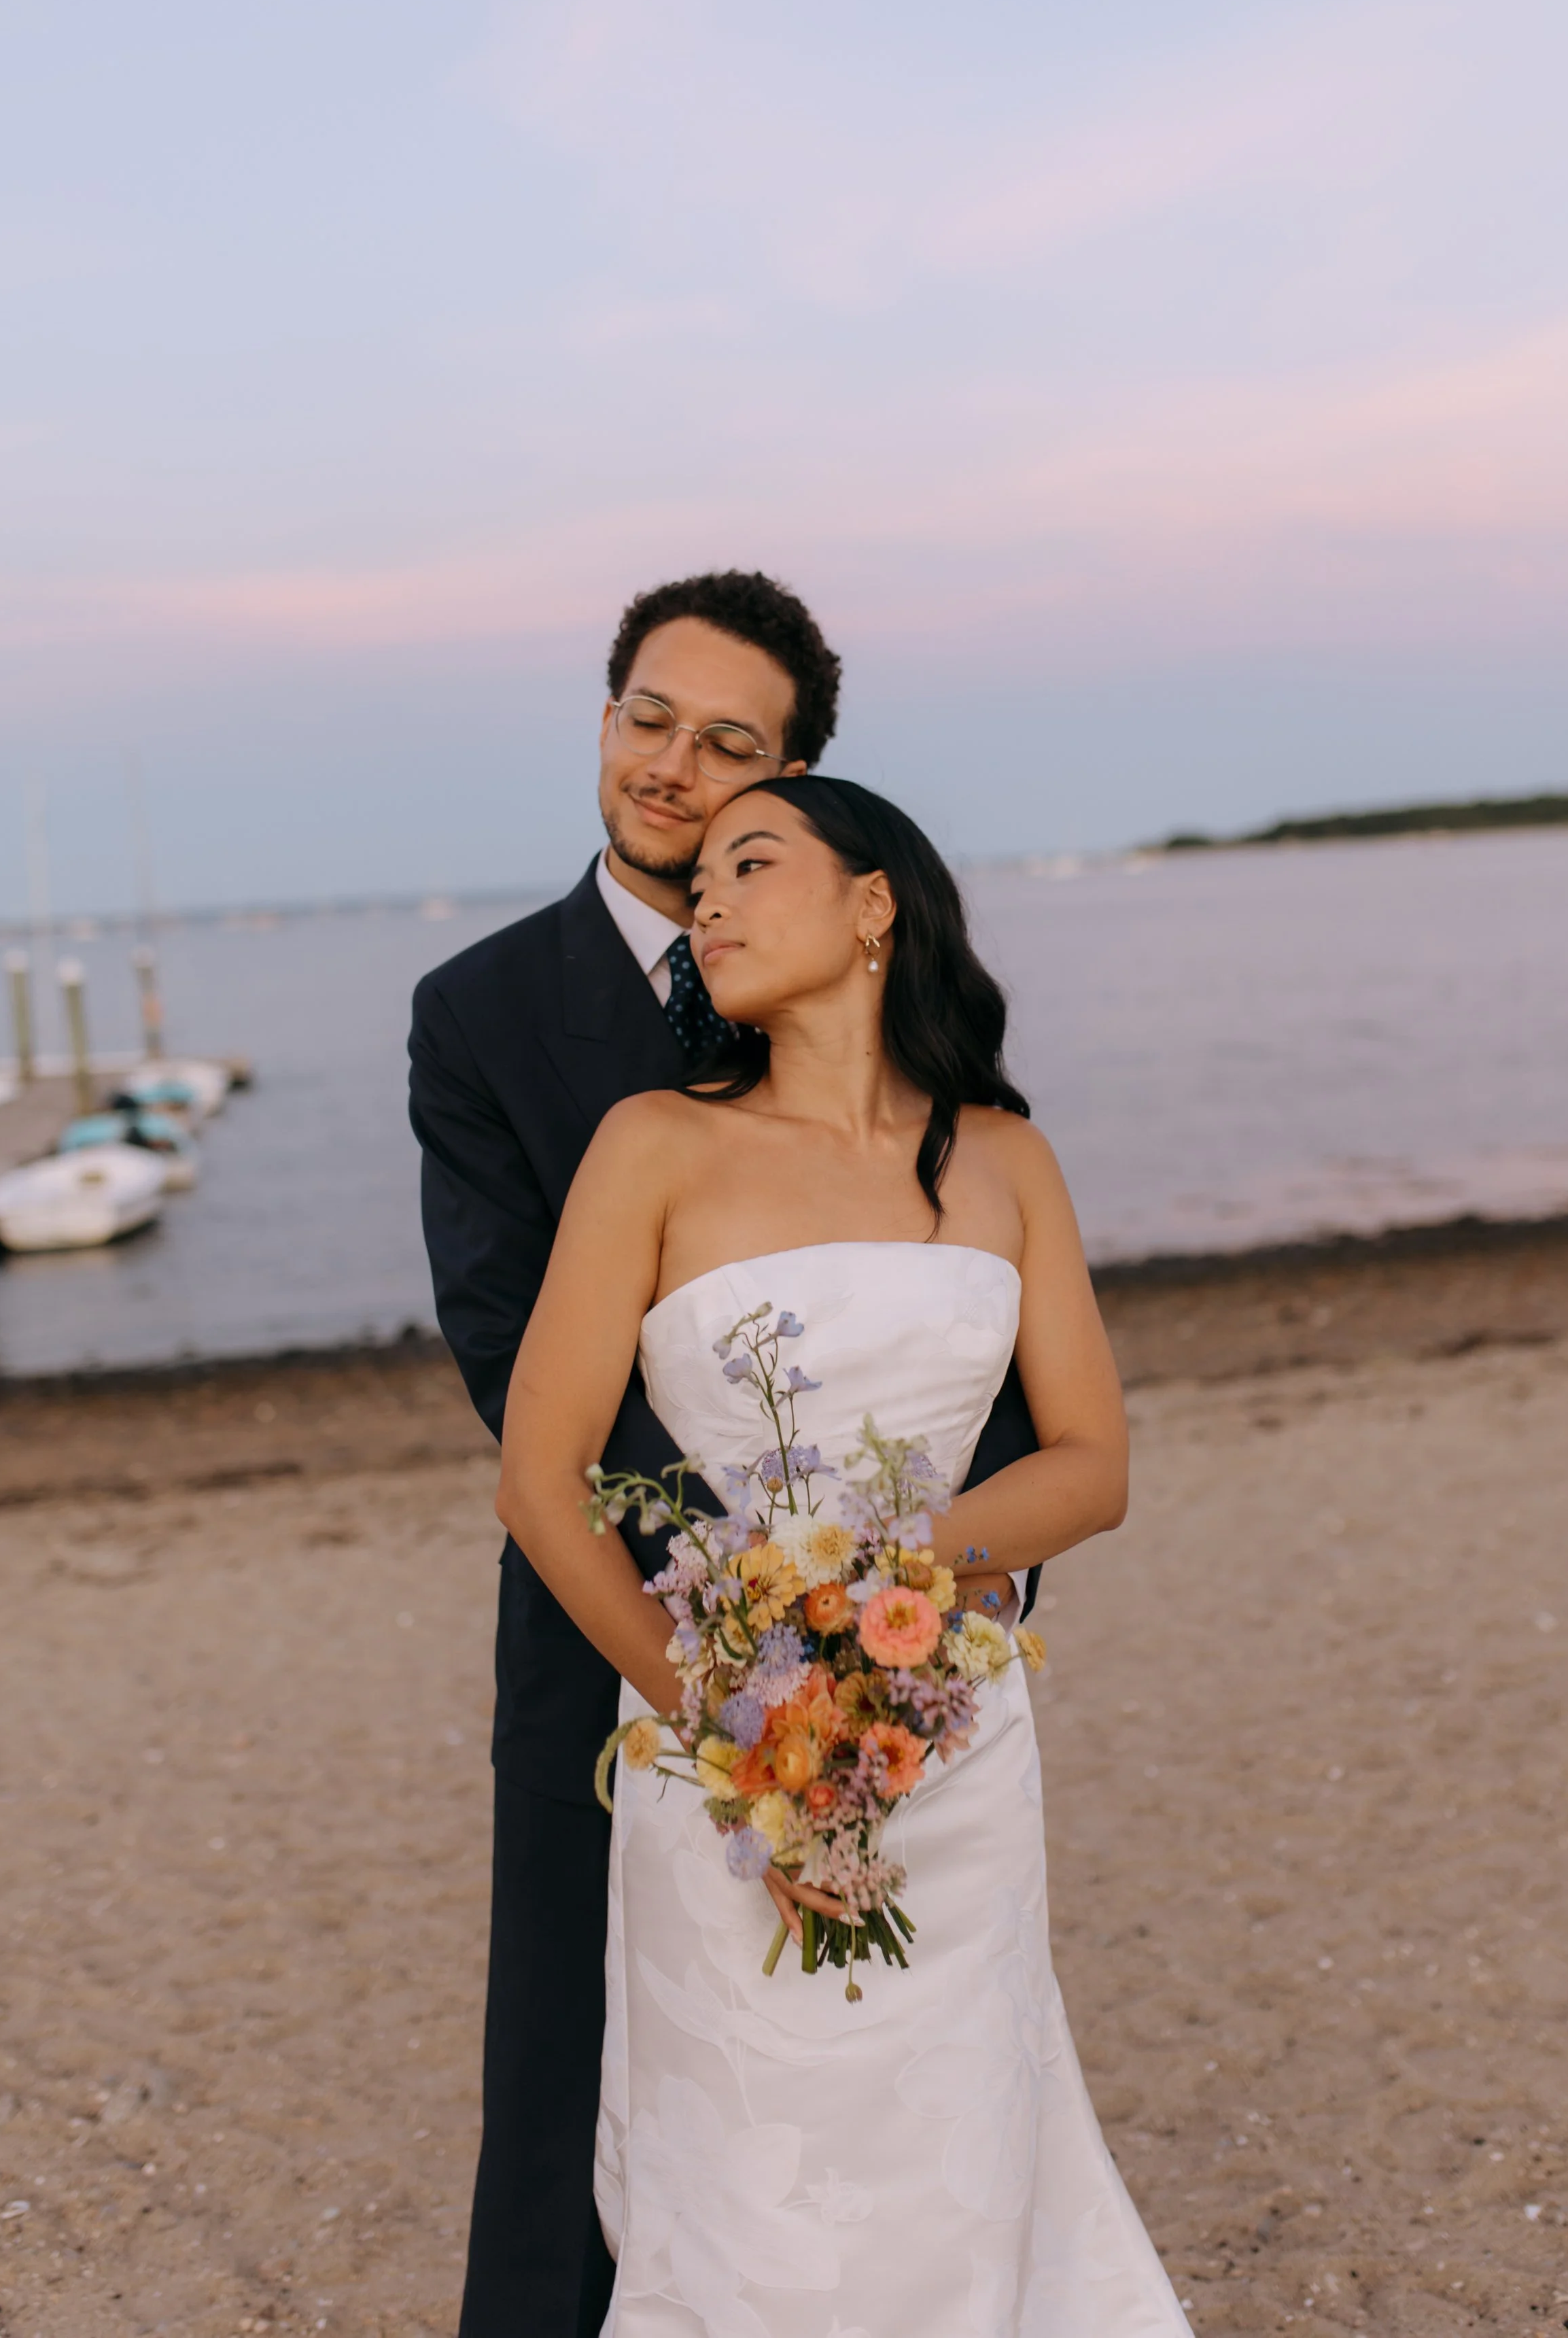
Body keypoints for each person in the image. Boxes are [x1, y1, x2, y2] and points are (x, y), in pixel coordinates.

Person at [408, 576, 1044, 2337]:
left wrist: (895, 1626)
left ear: (804, 794)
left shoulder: (890, 1033)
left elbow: (964, 1331)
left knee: (890, 2080)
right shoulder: (480, 1012)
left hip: (912, 1659)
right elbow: (507, 1348)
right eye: (645, 717)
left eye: (728, 745)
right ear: (603, 716)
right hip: (613, 1622)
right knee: (567, 2078)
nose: (671, 767)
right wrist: (756, 1641)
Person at [498, 774, 1191, 2335]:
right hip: (725, 1752)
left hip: (949, 1730)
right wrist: (723, 1714)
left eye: (752, 864)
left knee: (960, 2136)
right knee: (750, 2171)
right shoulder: (651, 1147)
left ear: (874, 904)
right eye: (698, 888)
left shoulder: (1005, 1158)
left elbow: (1090, 1466)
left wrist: (875, 1588)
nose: (708, 903)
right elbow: (540, 1482)